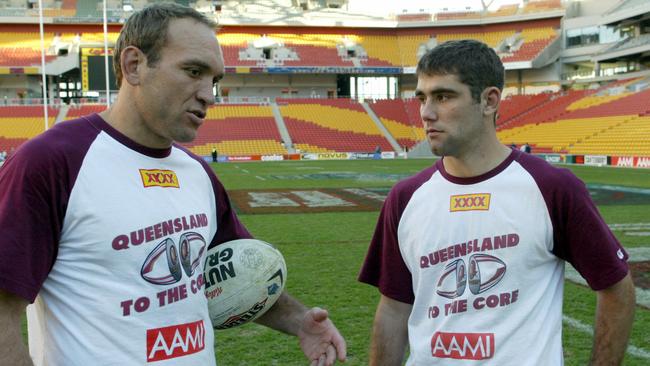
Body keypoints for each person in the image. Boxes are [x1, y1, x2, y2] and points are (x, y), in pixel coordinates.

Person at [0, 4, 345, 366]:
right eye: (193, 71)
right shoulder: (52, 162)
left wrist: (300, 321)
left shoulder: (197, 173)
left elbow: (231, 272)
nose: (209, 95)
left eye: (214, 80)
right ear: (134, 65)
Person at [358, 39, 635, 365]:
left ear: (489, 101)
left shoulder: (551, 189)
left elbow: (617, 289)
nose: (426, 113)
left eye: (443, 97)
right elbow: (393, 309)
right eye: (422, 98)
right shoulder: (405, 198)